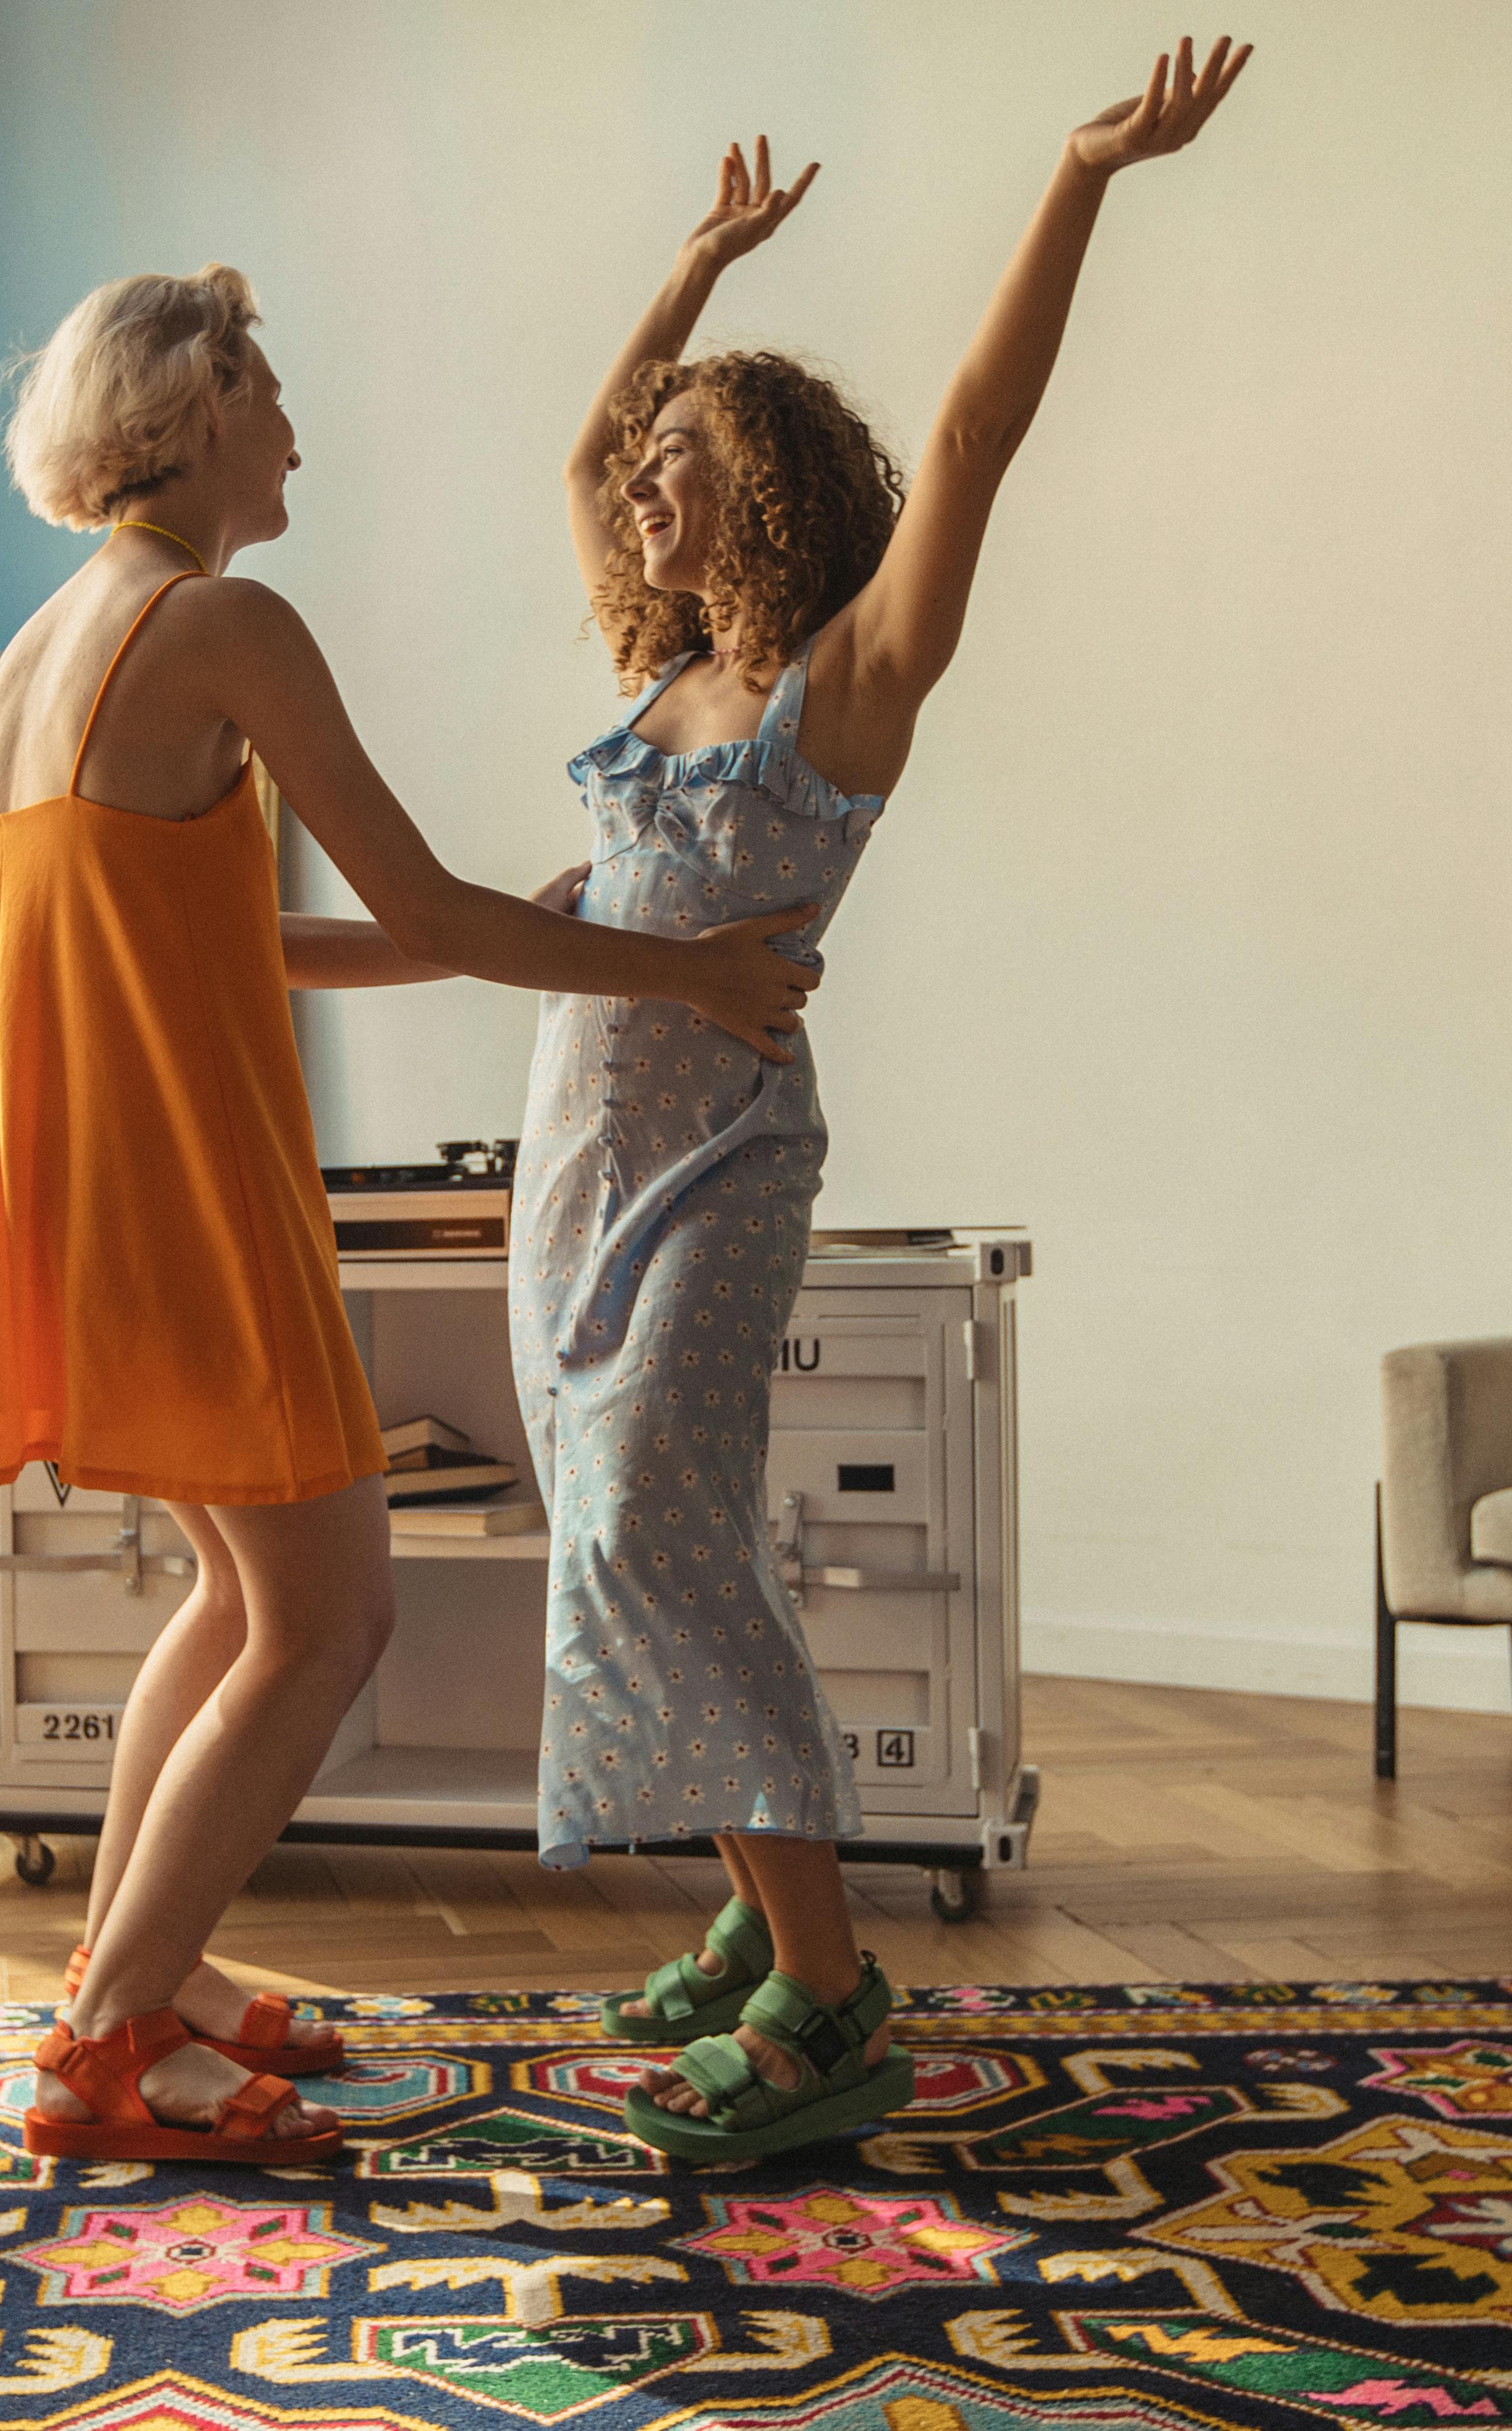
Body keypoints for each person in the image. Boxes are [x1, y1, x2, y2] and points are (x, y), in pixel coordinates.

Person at [0, 263, 825, 2165]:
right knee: (329, 1620)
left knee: (235, 1595)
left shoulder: (48, 650)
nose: (291, 423)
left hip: (77, 1190)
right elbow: (430, 903)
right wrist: (682, 974)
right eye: (264, 387)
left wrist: (491, 951)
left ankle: (140, 1962)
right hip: (184, 1194)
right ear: (188, 413)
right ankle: (108, 2044)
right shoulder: (222, 622)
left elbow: (230, 938)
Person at [516, 38, 1253, 2162]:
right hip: (579, 1150)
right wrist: (686, 269)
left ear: (762, 477)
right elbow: (576, 444)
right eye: (648, 456)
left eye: (681, 454)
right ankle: (765, 1937)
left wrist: (1081, 173)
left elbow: (973, 430)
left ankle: (830, 2002)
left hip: (720, 1157)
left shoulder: (845, 683)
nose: (641, 479)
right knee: (627, 1547)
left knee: (667, 1537)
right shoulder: (651, 672)